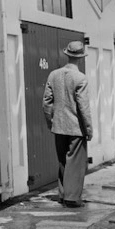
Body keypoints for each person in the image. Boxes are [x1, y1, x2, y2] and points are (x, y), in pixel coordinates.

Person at [42, 40, 93, 208]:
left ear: (67, 54)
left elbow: (46, 103)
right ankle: (72, 198)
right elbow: (83, 107)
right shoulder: (80, 78)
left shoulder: (53, 75)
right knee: (75, 163)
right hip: (76, 127)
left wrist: (51, 122)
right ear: (81, 57)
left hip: (59, 126)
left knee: (63, 160)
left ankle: (64, 194)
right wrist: (88, 128)